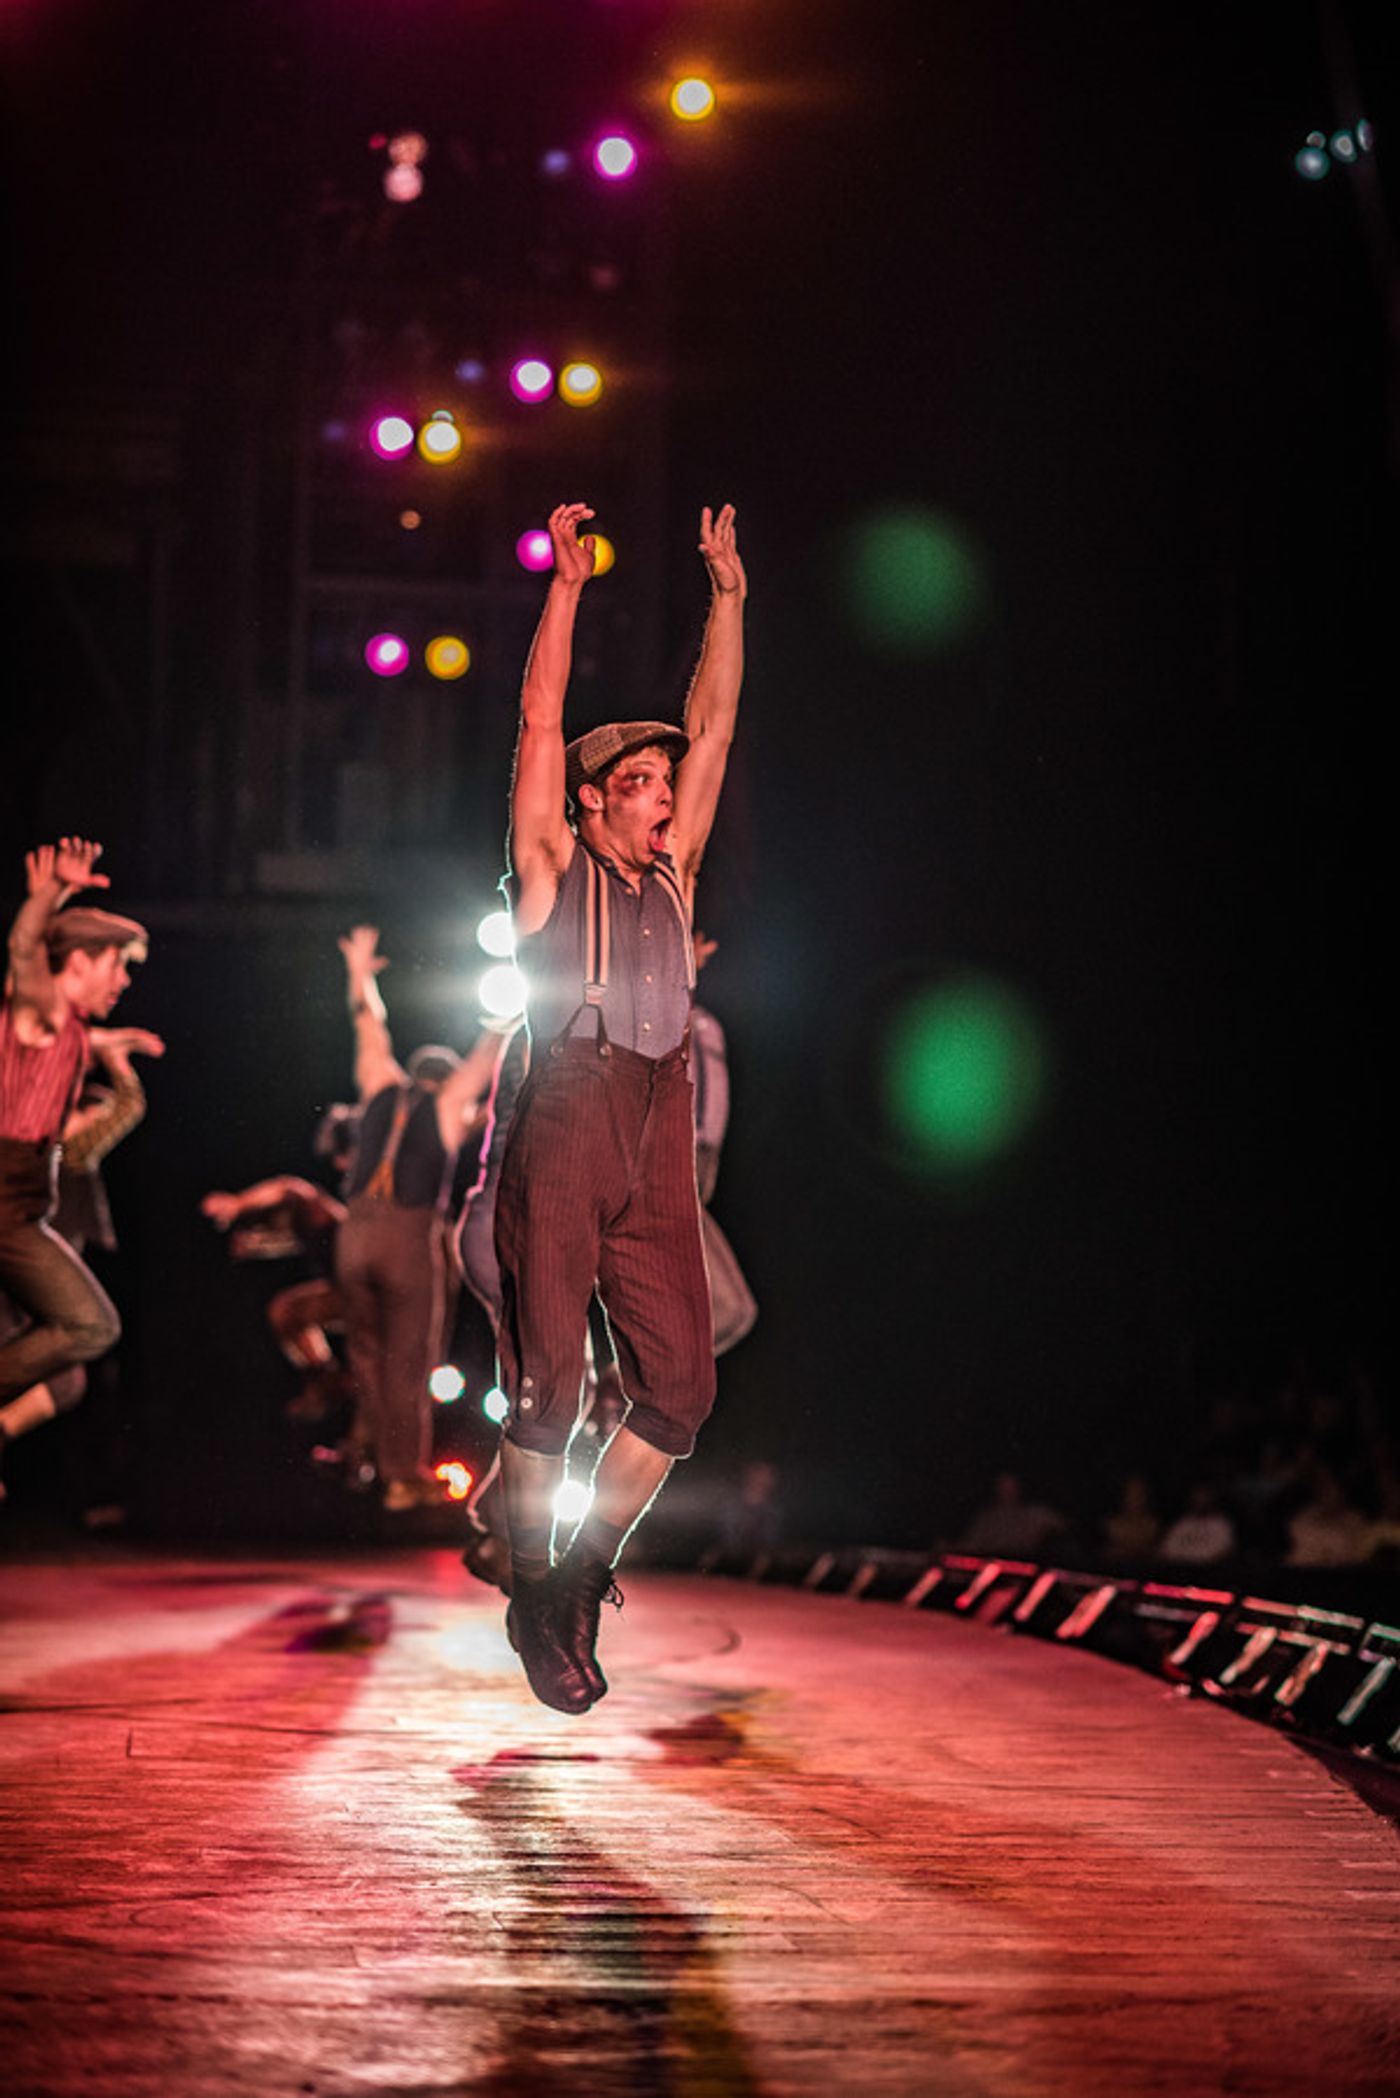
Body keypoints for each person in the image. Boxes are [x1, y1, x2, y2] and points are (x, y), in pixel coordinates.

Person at [493, 498, 746, 1714]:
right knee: (547, 1390)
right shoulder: (551, 868)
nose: (660, 795)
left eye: (662, 782)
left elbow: (717, 719)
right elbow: (539, 720)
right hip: (566, 1113)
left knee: (681, 1390)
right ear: (591, 801)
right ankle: (528, 1583)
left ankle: (577, 1574)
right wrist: (564, 589)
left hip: (656, 1122)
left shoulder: (673, 874)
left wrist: (728, 599)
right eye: (637, 782)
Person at [0, 839, 161, 1494]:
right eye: (116, 966)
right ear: (81, 961)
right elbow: (23, 953)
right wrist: (51, 895)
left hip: (22, 1206)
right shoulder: (36, 1011)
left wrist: (109, 1042)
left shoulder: (66, 1028)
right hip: (5, 1200)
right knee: (91, 1324)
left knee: (78, 1345)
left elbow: (75, 1037)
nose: (123, 981)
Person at [335, 924, 504, 1511]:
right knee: (409, 1358)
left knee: (366, 1353)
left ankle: (370, 1452)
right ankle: (403, 1473)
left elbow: (368, 1025)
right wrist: (507, 1016)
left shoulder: (381, 1084)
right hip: (406, 1237)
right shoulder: (447, 1102)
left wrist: (360, 973)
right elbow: (485, 1059)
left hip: (354, 1233)